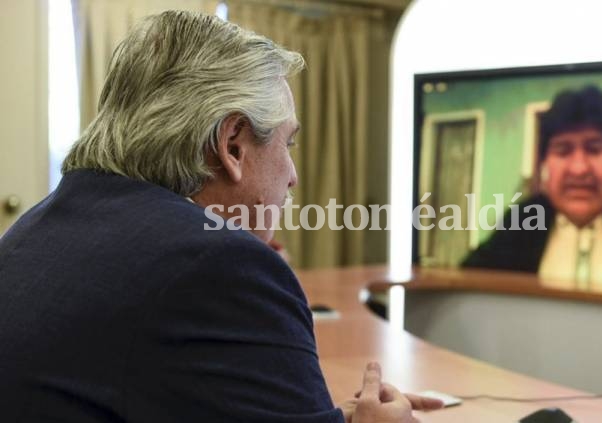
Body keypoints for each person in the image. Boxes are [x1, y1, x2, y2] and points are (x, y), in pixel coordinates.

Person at [0, 10, 441, 422]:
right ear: (232, 145)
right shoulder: (221, 266)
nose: (294, 176)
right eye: (287, 145)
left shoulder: (34, 228)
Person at [463, 85, 602, 288]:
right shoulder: (522, 222)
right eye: (562, 150)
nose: (579, 169)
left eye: (595, 149)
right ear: (545, 162)